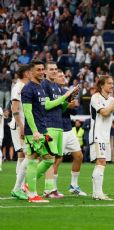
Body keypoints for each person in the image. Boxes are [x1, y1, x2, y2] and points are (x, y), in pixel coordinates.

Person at [22, 60, 76, 203]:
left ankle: (28, 186)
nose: (41, 72)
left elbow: (41, 110)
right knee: (35, 159)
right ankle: (31, 192)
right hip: (34, 131)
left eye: (41, 69)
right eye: (38, 70)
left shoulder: (40, 87)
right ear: (31, 72)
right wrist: (34, 131)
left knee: (49, 159)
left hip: (43, 129)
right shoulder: (28, 89)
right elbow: (27, 112)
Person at [41, 61, 79, 198]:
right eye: (51, 69)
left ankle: (50, 189)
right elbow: (47, 105)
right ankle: (32, 184)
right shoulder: (44, 85)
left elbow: (60, 107)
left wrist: (68, 103)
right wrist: (65, 97)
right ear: (45, 71)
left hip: (58, 126)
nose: (54, 71)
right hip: (48, 125)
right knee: (49, 159)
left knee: (52, 159)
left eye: (55, 69)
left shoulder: (56, 87)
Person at [89, 76, 114, 200]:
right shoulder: (95, 97)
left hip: (105, 135)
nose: (111, 86)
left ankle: (96, 193)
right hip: (97, 134)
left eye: (112, 83)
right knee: (101, 162)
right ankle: (98, 193)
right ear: (102, 85)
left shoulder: (111, 99)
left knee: (102, 163)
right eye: (109, 83)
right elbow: (104, 112)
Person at [54, 70, 87, 196]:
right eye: (60, 76)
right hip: (58, 129)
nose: (63, 77)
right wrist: (68, 104)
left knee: (79, 156)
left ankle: (73, 185)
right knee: (58, 159)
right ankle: (53, 188)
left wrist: (73, 102)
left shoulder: (66, 91)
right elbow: (54, 108)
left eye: (63, 75)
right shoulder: (52, 91)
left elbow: (74, 112)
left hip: (68, 128)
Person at [10, 65, 31, 200]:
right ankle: (18, 187)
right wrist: (21, 126)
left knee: (23, 156)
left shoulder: (26, 86)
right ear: (26, 73)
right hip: (20, 125)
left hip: (25, 125)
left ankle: (20, 187)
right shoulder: (18, 87)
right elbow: (14, 108)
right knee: (28, 154)